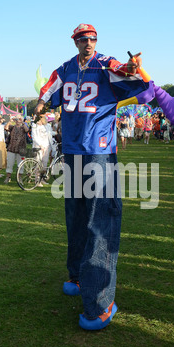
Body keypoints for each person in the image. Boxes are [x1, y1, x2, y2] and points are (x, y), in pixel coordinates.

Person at [35, 23, 152, 330]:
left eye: (92, 38)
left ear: (96, 41)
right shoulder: (67, 68)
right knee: (93, 219)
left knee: (89, 217)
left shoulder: (105, 63)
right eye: (83, 39)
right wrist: (40, 103)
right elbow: (47, 91)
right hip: (80, 153)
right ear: (74, 41)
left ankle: (80, 282)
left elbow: (132, 75)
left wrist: (135, 66)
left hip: (95, 150)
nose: (88, 42)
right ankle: (96, 303)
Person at [4, 114, 30, 184]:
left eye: (19, 119)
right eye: (17, 119)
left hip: (21, 148)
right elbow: (6, 128)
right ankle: (8, 177)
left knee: (21, 164)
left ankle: (20, 178)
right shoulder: (12, 127)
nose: (18, 121)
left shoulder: (23, 127)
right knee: (10, 163)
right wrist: (10, 121)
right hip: (12, 148)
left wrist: (23, 122)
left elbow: (27, 130)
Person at [31, 115, 53, 186]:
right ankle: (37, 180)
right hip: (38, 147)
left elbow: (50, 135)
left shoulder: (48, 126)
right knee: (38, 163)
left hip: (46, 146)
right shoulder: (34, 126)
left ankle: (42, 179)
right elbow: (34, 137)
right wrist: (40, 145)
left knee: (44, 164)